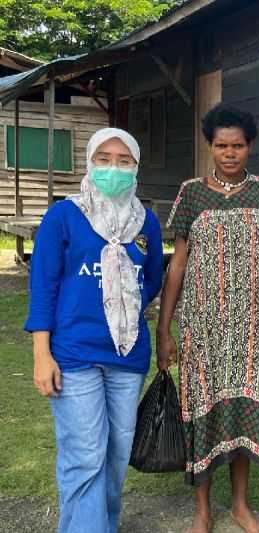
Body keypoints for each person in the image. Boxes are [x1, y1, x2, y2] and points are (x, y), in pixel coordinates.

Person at [157, 103, 259, 533]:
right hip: (204, 326)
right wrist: (165, 327)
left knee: (241, 409)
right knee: (204, 408)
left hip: (253, 325)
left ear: (250, 147)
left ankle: (239, 506)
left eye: (237, 145)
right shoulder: (191, 193)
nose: (229, 153)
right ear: (209, 146)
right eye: (221, 145)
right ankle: (201, 510)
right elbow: (178, 264)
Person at [26, 128, 163, 533]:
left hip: (127, 354)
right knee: (85, 454)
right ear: (89, 161)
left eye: (124, 161)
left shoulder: (146, 221)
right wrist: (41, 353)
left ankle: (100, 523)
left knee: (117, 452)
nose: (113, 169)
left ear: (136, 166)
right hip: (73, 353)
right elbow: (43, 284)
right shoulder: (65, 214)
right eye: (104, 159)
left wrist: (124, 303)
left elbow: (150, 278)